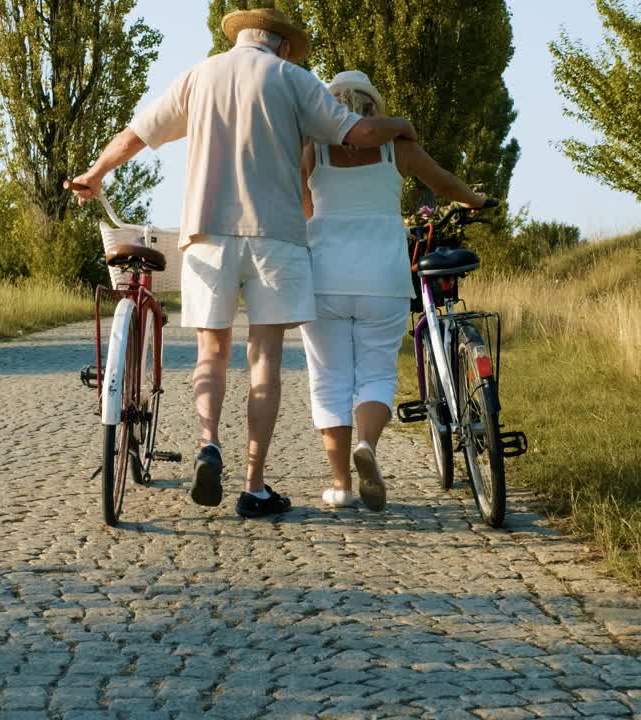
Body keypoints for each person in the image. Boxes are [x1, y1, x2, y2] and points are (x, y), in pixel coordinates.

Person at [68, 10, 420, 519]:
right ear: (281, 47)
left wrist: (94, 173)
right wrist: (403, 125)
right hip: (275, 236)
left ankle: (208, 443)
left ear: (239, 39)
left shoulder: (198, 76)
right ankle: (255, 485)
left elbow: (137, 134)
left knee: (211, 352)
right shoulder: (293, 80)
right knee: (265, 361)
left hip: (207, 234)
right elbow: (357, 135)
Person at [298, 70, 488, 511]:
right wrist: (475, 200)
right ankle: (368, 444)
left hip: (324, 279)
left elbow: (302, 205)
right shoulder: (396, 149)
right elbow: (443, 184)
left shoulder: (314, 151)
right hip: (382, 280)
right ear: (374, 110)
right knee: (377, 373)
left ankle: (341, 485)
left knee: (329, 381)